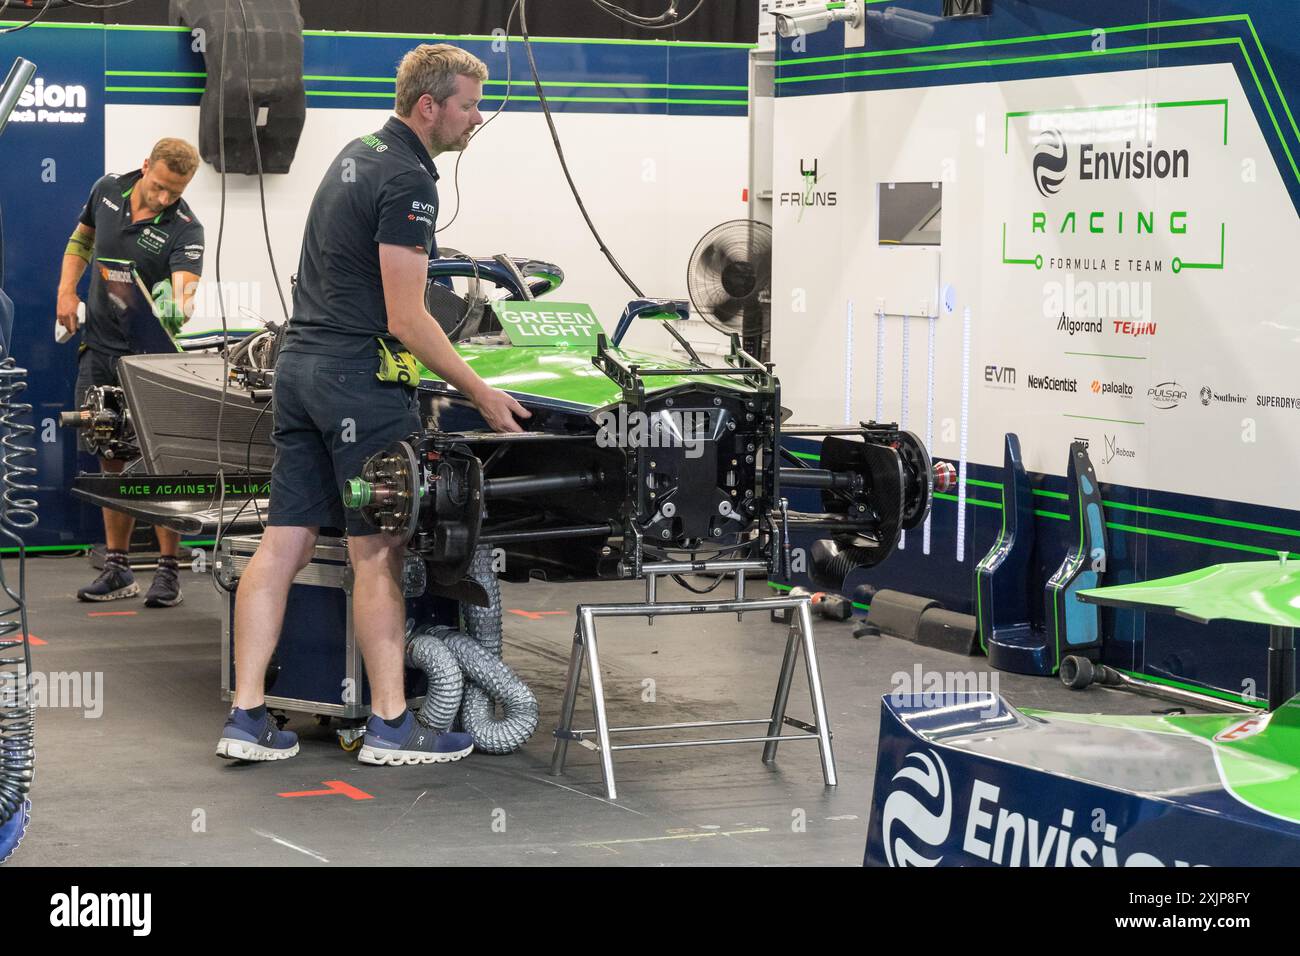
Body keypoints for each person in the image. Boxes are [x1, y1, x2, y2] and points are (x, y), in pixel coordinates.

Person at [217, 44, 530, 766]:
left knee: (281, 546)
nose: (476, 120)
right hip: (359, 382)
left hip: (300, 372)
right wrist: (480, 392)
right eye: (468, 106)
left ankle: (247, 715)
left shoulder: (357, 152)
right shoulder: (411, 180)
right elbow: (407, 317)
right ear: (430, 107)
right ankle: (391, 725)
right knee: (377, 552)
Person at [57, 138, 205, 608]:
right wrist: (66, 289)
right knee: (110, 457)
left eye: (174, 193)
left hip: (151, 360)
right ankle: (118, 568)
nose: (165, 198)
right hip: (99, 349)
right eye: (159, 187)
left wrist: (177, 305)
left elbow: (186, 284)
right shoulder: (106, 190)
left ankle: (167, 572)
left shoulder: (186, 227)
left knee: (161, 466)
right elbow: (81, 238)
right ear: (145, 168)